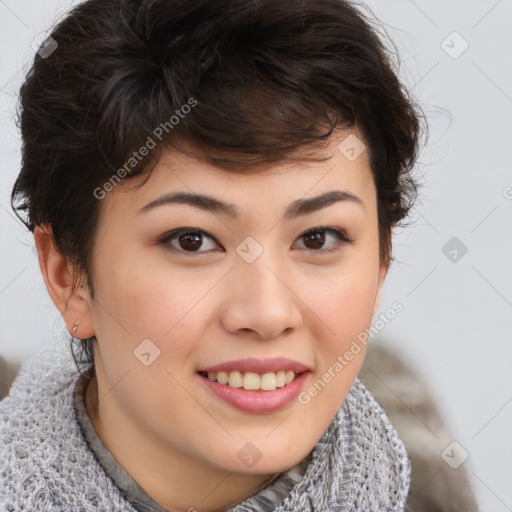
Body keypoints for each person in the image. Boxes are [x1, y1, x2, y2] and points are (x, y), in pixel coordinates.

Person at [0, 0, 426, 510]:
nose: (267, 313)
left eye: (317, 238)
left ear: (382, 262)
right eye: (192, 240)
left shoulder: (431, 477)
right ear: (68, 275)